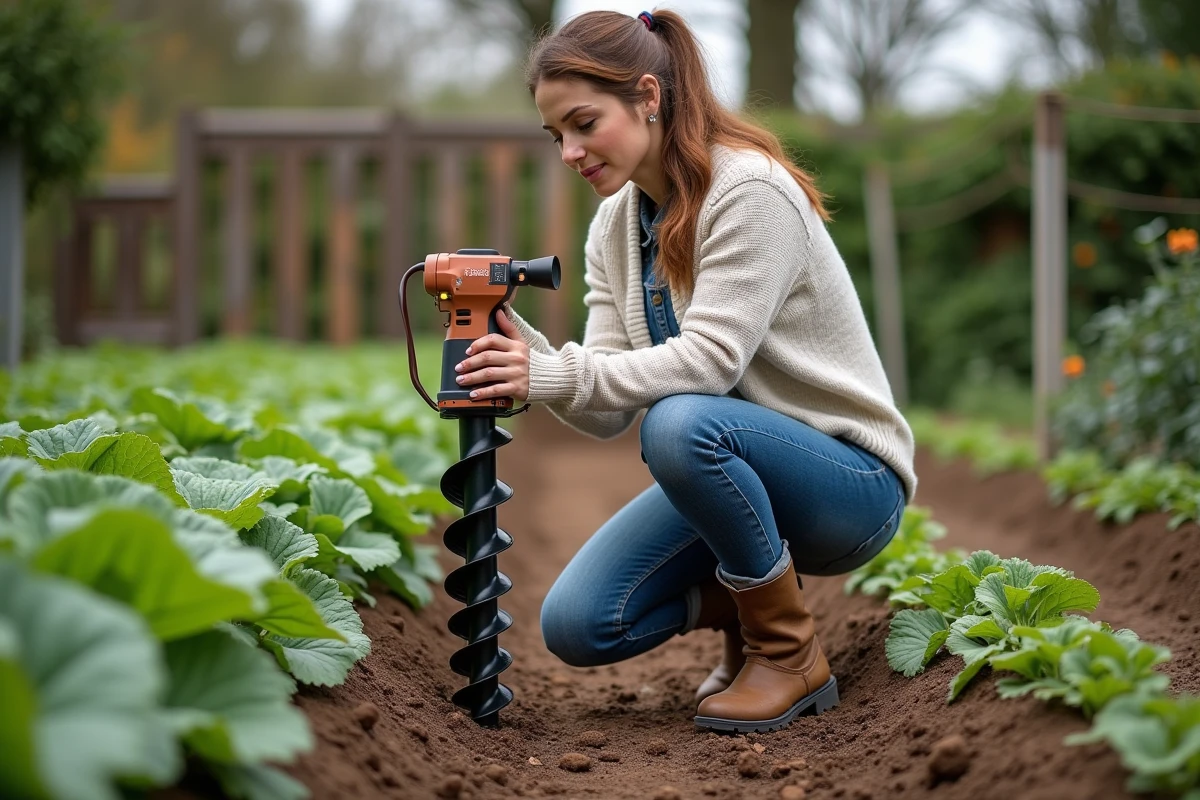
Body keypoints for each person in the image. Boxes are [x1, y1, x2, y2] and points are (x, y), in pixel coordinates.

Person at [450, 8, 916, 734]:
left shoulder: (748, 192)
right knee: (580, 624)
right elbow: (604, 404)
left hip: (848, 485)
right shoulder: (615, 225)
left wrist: (548, 376)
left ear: (647, 96)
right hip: (732, 471)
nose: (569, 151)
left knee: (679, 422)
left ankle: (787, 655)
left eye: (583, 123)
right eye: (556, 135)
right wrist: (528, 348)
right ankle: (744, 605)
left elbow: (709, 362)